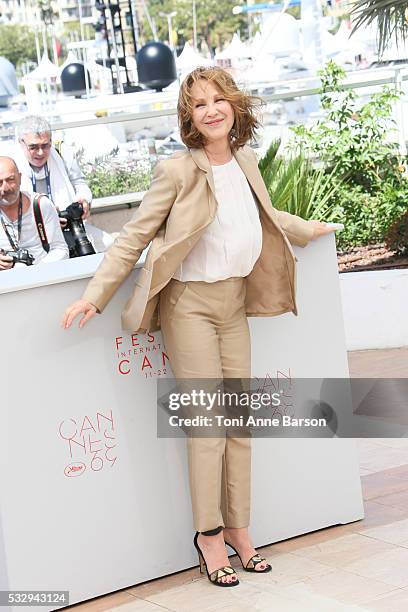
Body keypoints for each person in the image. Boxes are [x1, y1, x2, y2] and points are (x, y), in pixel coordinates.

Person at [62, 67, 335, 587]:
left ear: (234, 106)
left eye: (218, 100)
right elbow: (133, 238)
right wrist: (93, 296)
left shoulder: (247, 160)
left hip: (234, 307)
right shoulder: (177, 171)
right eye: (199, 104)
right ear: (188, 117)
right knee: (208, 427)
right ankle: (209, 536)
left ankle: (239, 528)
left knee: (240, 426)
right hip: (189, 307)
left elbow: (262, 214)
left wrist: (309, 229)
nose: (211, 110)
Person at [7, 115, 113, 254]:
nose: (40, 152)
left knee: (110, 244)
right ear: (21, 143)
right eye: (33, 147)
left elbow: (79, 182)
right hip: (29, 234)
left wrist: (84, 199)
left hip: (69, 227)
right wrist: (48, 216)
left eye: (45, 146)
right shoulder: (8, 164)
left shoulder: (62, 152)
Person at [0, 156, 68, 270]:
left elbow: (60, 249)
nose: (5, 188)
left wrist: (38, 271)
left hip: (43, 277)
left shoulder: (41, 205)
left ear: (20, 178)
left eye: (10, 179)